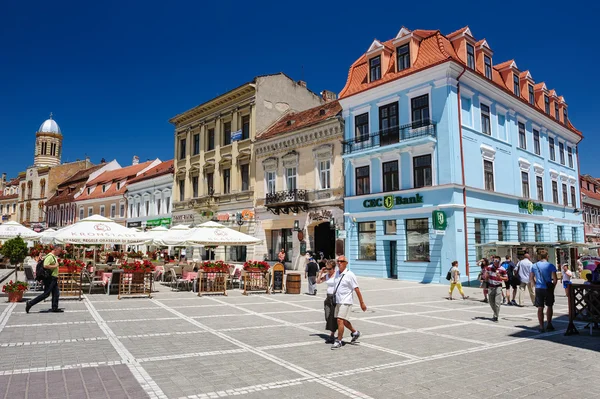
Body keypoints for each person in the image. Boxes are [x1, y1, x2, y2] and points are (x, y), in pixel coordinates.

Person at [331, 256, 367, 350]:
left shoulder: (350, 274)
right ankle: (355, 333)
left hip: (346, 301)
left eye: (341, 261)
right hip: (338, 301)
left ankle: (338, 341)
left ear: (346, 263)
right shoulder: (337, 273)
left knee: (340, 320)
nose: (339, 263)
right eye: (338, 261)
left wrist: (361, 303)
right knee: (344, 321)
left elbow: (357, 289)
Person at [26, 245, 63, 313]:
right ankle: (30, 303)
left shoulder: (53, 256)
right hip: (50, 278)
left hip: (54, 277)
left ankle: (55, 307)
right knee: (46, 294)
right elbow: (45, 265)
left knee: (56, 293)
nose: (60, 252)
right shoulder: (50, 256)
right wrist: (55, 266)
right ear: (55, 249)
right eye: (59, 251)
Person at [531, 249, 557, 332]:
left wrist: (535, 285)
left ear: (539, 257)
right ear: (547, 256)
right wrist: (553, 287)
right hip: (548, 288)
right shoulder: (550, 266)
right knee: (549, 306)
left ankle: (541, 326)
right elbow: (555, 279)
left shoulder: (534, 266)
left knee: (540, 307)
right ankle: (549, 324)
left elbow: (531, 278)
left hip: (539, 288)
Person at [317, 259, 338, 343]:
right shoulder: (327, 276)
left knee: (333, 317)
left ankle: (332, 334)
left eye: (329, 269)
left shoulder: (337, 275)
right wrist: (321, 273)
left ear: (333, 268)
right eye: (327, 268)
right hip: (328, 298)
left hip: (335, 298)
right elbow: (318, 282)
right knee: (327, 315)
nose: (328, 270)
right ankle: (334, 331)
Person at [485, 256, 508, 322]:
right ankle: (495, 312)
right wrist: (486, 277)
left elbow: (506, 279)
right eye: (494, 261)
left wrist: (500, 277)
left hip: (498, 286)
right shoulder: (489, 267)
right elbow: (486, 277)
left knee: (497, 303)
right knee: (491, 302)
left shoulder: (502, 269)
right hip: (491, 286)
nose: (495, 262)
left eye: (497, 261)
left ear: (499, 261)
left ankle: (496, 316)